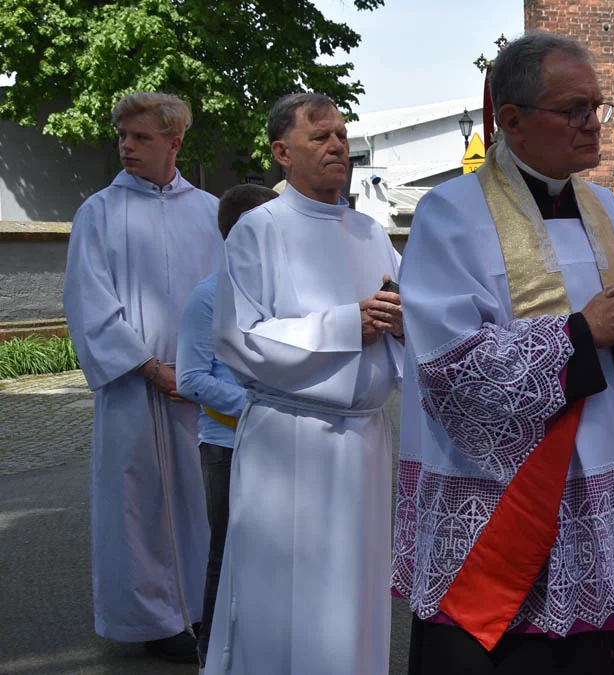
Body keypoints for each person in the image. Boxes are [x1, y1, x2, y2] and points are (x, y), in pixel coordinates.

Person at [393, 32, 614, 674]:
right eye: (574, 110)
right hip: (502, 508)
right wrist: (585, 333)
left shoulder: (608, 210)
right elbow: (452, 369)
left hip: (607, 495)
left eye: (597, 108)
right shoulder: (450, 214)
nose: (593, 126)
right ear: (512, 120)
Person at [205, 93, 405, 674]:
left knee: (354, 592)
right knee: (284, 595)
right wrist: (346, 323)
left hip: (364, 443)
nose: (337, 146)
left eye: (341, 135)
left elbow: (406, 318)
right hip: (289, 443)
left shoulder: (371, 233)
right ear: (281, 153)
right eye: (319, 137)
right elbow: (239, 337)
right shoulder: (257, 230)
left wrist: (401, 319)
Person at [62, 92, 220, 664]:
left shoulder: (210, 211)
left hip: (202, 387)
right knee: (140, 503)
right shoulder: (99, 213)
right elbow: (89, 302)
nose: (126, 146)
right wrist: (153, 369)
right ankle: (155, 620)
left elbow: (229, 297)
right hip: (136, 387)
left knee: (202, 500)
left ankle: (203, 608)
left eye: (141, 137)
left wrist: (207, 371)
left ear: (174, 142)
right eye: (122, 137)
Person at [175, 184, 277, 668]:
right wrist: (261, 407)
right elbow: (192, 378)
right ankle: (208, 654)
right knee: (225, 552)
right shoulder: (205, 296)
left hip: (272, 440)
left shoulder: (271, 289)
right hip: (226, 444)